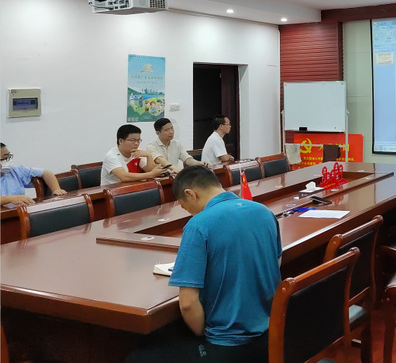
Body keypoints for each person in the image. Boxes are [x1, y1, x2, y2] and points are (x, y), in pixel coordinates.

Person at [127, 166, 281, 362]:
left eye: (185, 207)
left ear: (190, 194)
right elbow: (277, 262)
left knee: (137, 357)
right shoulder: (264, 211)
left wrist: (202, 335)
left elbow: (188, 304)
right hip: (270, 337)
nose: (189, 213)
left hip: (228, 347)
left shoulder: (199, 225)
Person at [1, 143, 67, 205]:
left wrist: (56, 189)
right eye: (5, 158)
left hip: (20, 210)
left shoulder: (15, 171)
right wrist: (10, 199)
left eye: (9, 157)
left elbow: (46, 173)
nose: (8, 160)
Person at [101, 124, 168, 185]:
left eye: (138, 140)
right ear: (120, 141)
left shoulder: (137, 151)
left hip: (132, 187)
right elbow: (124, 177)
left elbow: (150, 170)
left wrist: (149, 156)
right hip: (113, 191)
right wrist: (151, 174)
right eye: (132, 140)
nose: (136, 143)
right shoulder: (111, 156)